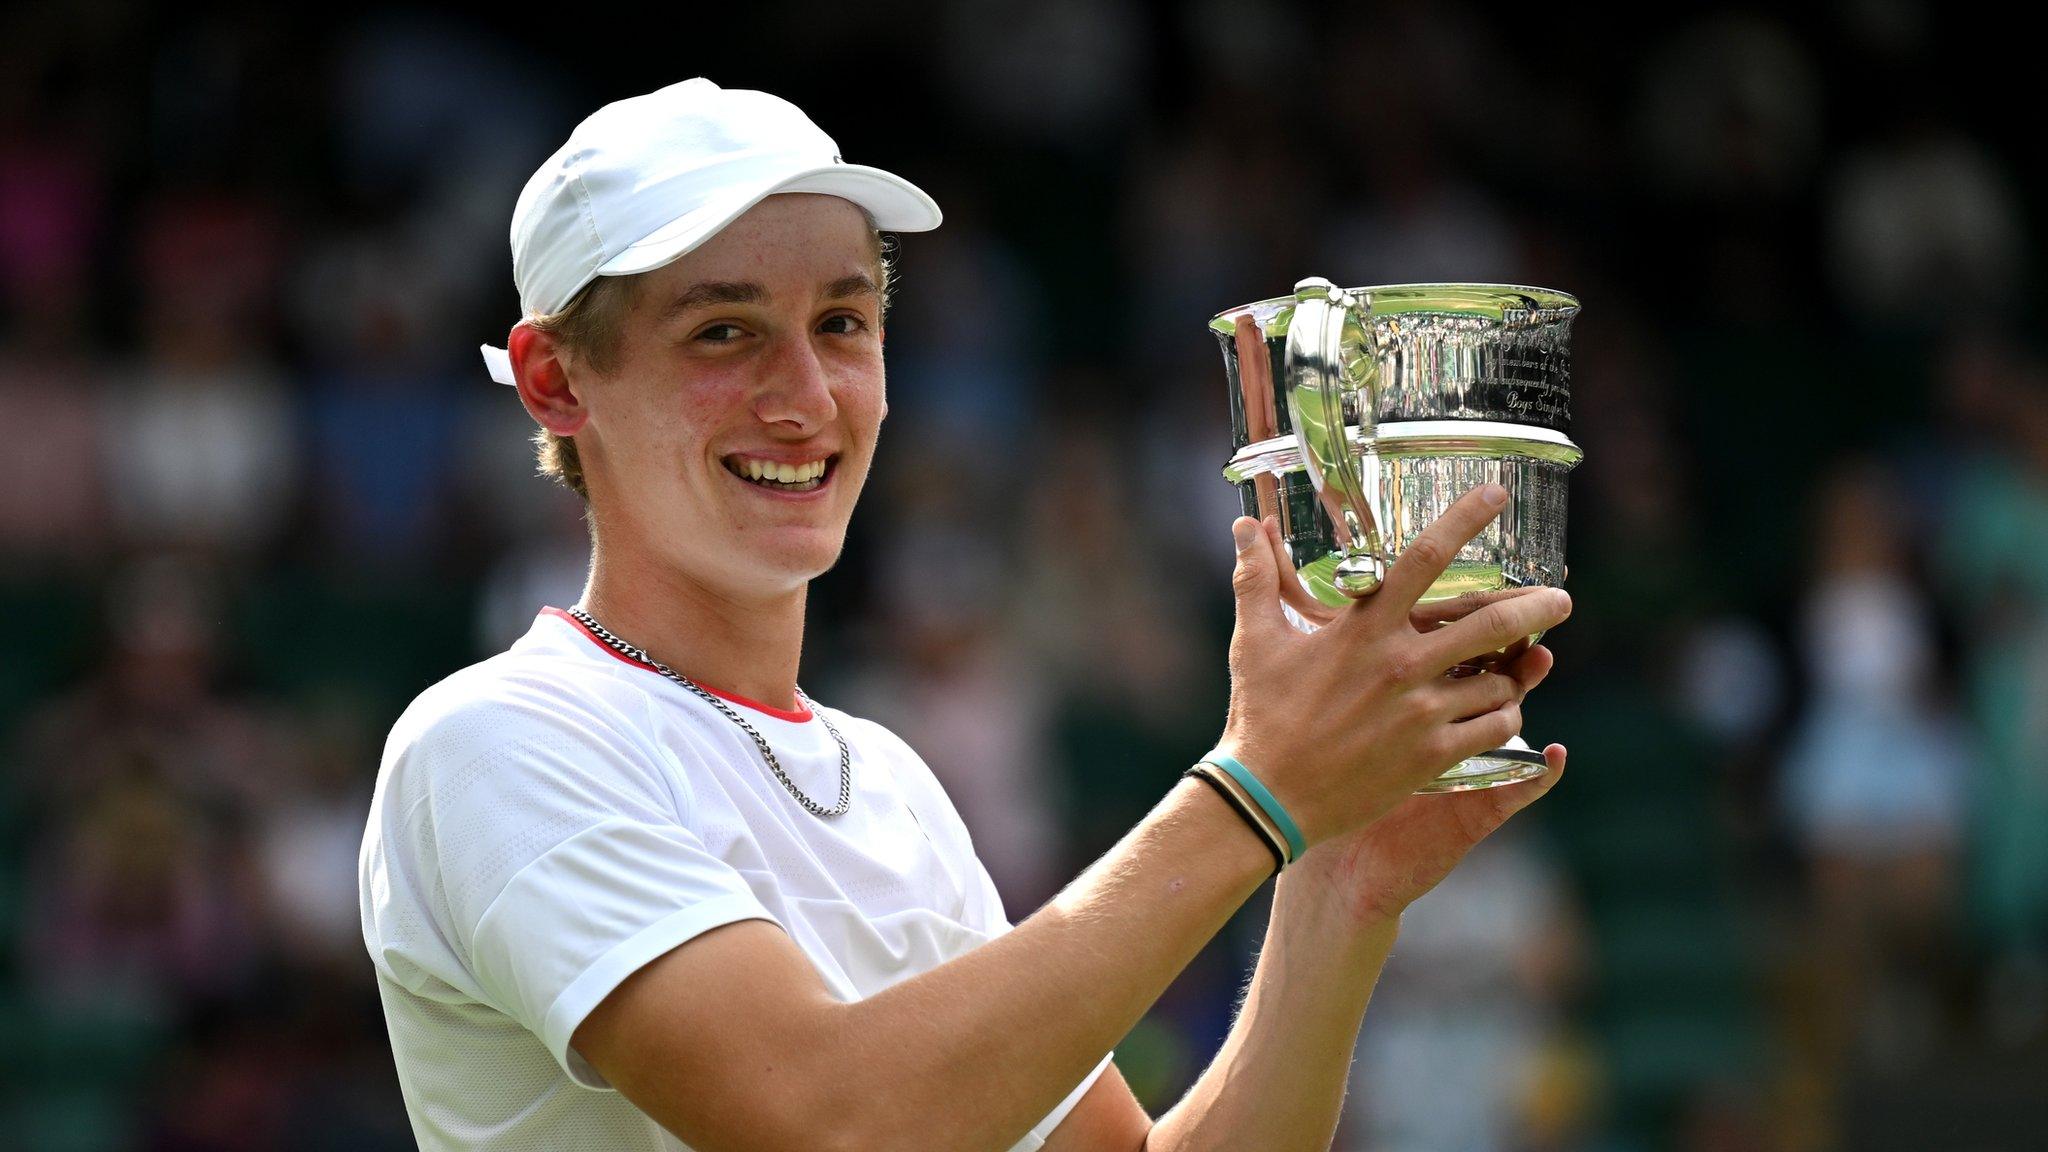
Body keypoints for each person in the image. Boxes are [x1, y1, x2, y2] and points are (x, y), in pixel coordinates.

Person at [358, 77, 1574, 1152]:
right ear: (555, 380)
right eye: (722, 332)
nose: (803, 396)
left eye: (841, 324)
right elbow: (830, 1126)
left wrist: (1334, 876)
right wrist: (1260, 792)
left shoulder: (885, 779)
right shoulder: (493, 741)